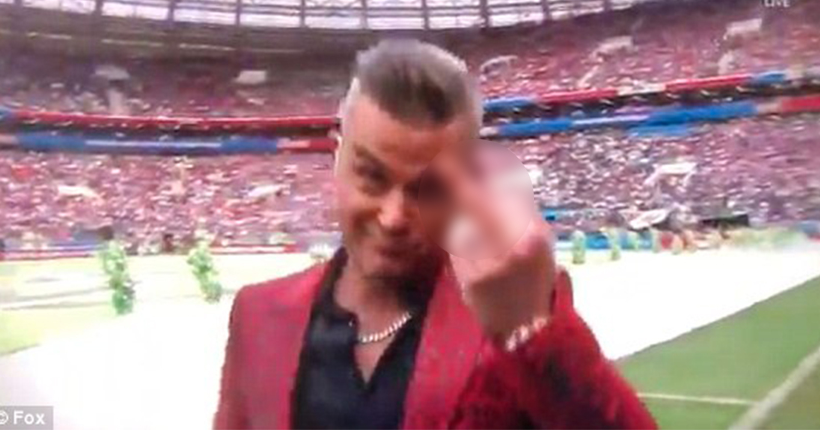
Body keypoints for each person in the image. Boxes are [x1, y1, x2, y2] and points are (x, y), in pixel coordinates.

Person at [214, 40, 657, 429]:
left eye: (427, 190)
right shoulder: (257, 314)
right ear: (336, 153)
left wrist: (533, 332)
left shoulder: (512, 312)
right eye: (371, 176)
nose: (393, 217)